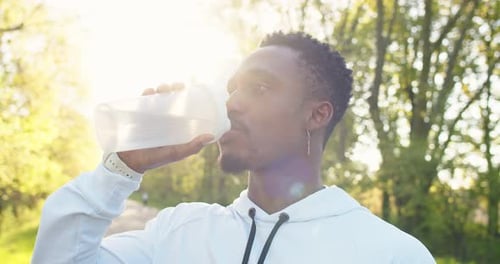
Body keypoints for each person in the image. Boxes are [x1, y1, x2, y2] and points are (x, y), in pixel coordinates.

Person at [32, 32, 435, 263]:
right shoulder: (180, 233)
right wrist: (120, 168)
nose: (232, 103)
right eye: (232, 89)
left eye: (259, 88)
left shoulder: (391, 254)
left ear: (317, 115)